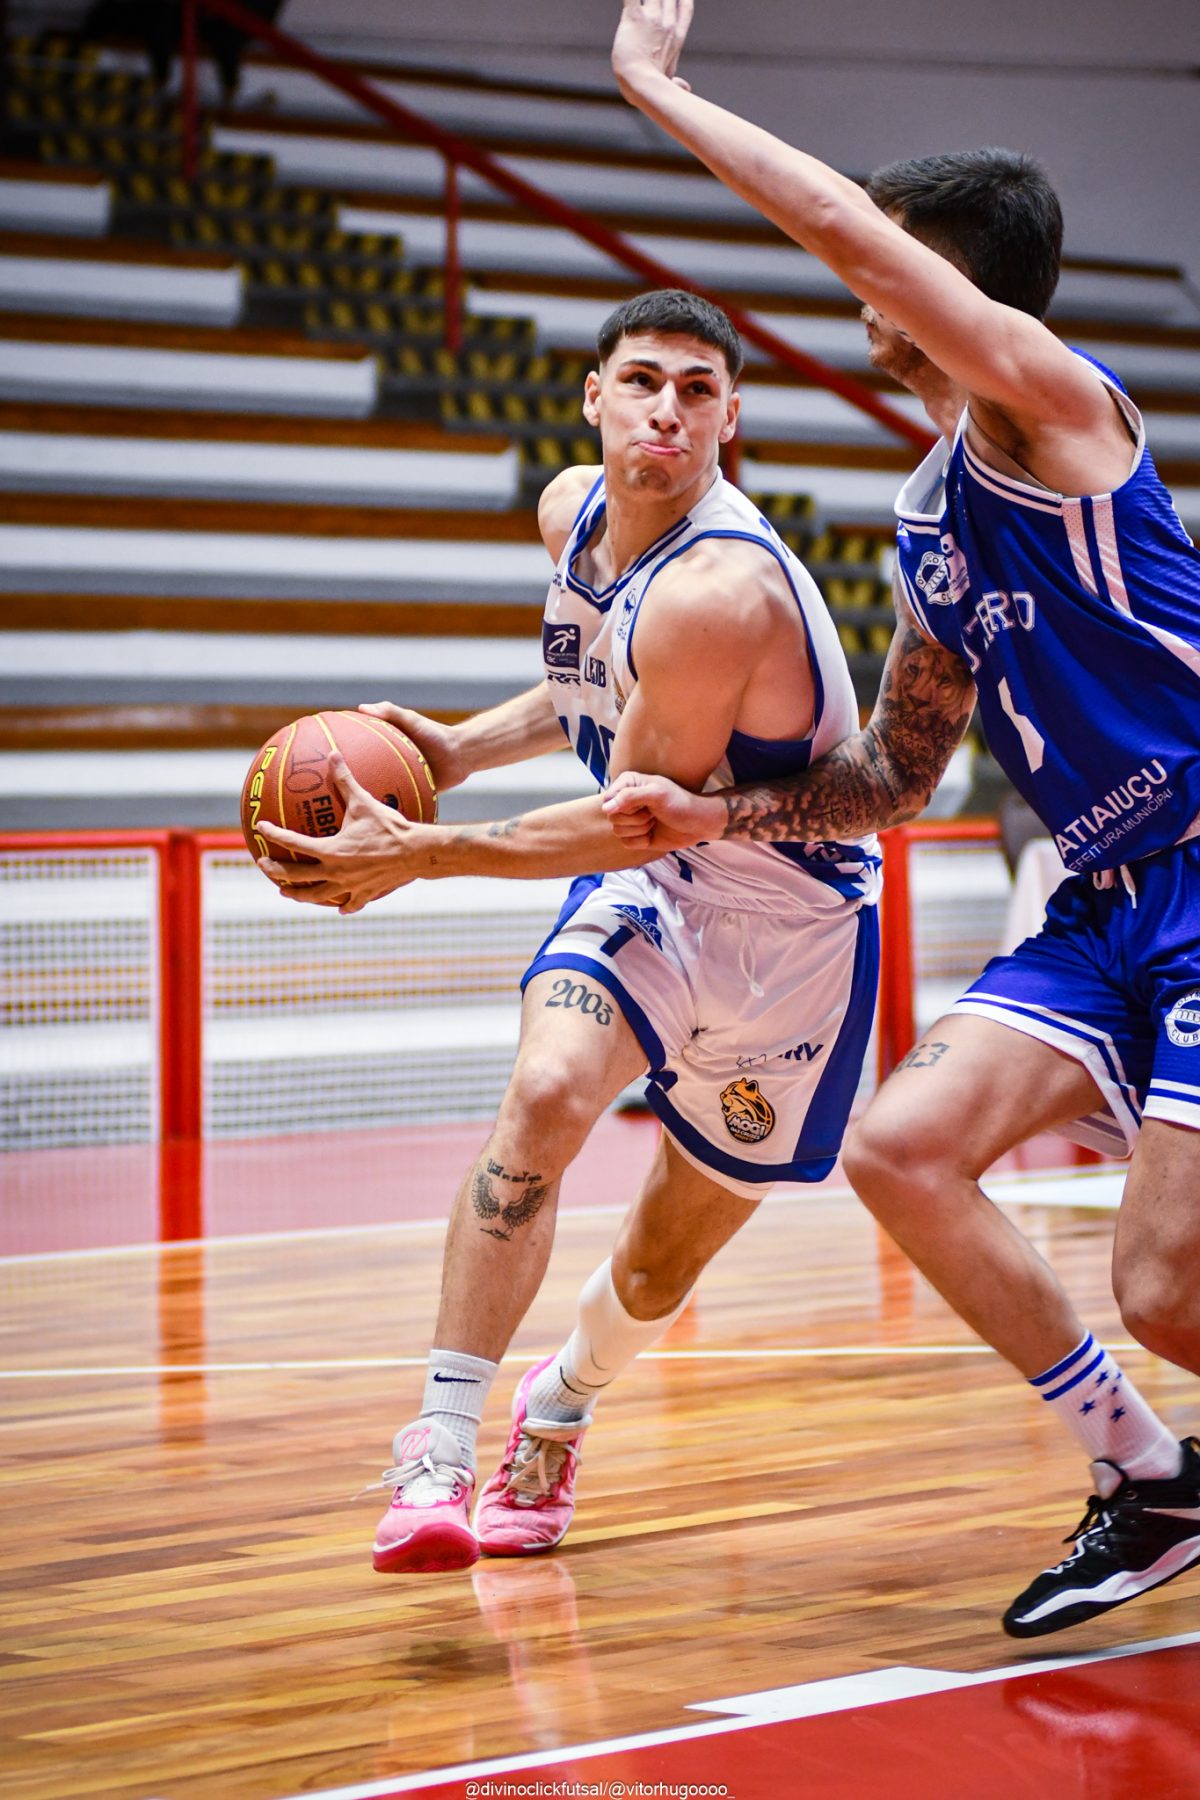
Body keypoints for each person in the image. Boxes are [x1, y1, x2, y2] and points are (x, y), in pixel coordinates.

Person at [604, 0, 1200, 1638]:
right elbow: (896, 777)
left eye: (889, 261)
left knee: (1166, 1287)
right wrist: (705, 810)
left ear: (948, 284)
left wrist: (654, 87)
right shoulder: (936, 509)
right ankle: (1151, 1479)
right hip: (1106, 900)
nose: (859, 286)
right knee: (901, 1149)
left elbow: (841, 225)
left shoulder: (1051, 406)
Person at [256, 288, 882, 1575]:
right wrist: (459, 752)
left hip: (794, 933)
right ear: (594, 395)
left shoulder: (721, 588)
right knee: (544, 1094)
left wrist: (425, 851)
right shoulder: (572, 514)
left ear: (731, 419)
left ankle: (561, 1404)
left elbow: (627, 817)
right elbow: (593, 680)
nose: (667, 411)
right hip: (660, 892)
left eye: (698, 390)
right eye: (642, 380)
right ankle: (437, 1449)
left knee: (657, 1264)